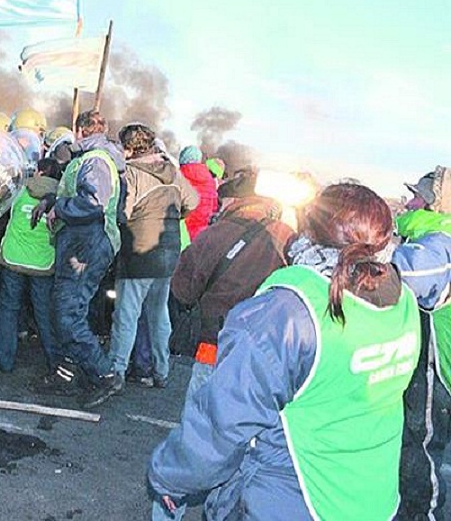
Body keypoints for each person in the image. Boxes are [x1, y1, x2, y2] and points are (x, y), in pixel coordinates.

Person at [148, 183, 420, 521]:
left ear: (309, 232)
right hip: (373, 499)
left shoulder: (288, 312)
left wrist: (170, 476)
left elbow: (223, 424)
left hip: (294, 499)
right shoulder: (404, 300)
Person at [87, 123, 198, 407]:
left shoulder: (131, 174)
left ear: (129, 148)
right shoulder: (172, 171)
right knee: (159, 314)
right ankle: (162, 371)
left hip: (139, 254)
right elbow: (193, 201)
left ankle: (116, 371)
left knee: (126, 315)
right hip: (169, 251)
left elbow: (122, 214)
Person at [169, 172, 295, 399]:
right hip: (262, 350)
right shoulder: (286, 236)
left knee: (201, 411)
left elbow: (183, 290)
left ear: (234, 201)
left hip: (214, 341)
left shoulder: (215, 233)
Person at [33, 110, 124, 402]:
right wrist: (52, 201)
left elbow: (93, 203)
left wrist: (59, 209)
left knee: (67, 313)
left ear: (80, 130)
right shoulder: (91, 158)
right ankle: (67, 374)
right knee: (69, 310)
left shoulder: (95, 160)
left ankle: (104, 374)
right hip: (81, 242)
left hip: (87, 244)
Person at [392, 166, 451, 520]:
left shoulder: (439, 243)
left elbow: (402, 276)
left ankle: (420, 514)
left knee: (422, 450)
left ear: (433, 205)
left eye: (417, 196)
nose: (408, 203)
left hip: (435, 371)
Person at [0, 157, 62, 373]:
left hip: (13, 258)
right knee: (44, 312)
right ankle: (54, 361)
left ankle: (5, 360)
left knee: (8, 308)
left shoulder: (20, 190)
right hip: (42, 263)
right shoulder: (62, 197)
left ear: (38, 172)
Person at [178, 146, 218, 242]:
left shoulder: (178, 176)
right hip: (201, 232)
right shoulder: (210, 180)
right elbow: (214, 207)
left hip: (181, 230)